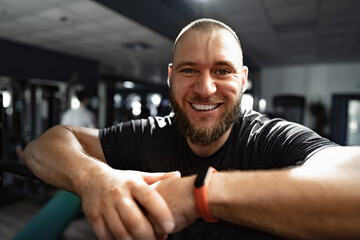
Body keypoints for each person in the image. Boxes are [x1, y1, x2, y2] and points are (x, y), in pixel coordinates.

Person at [21, 18, 360, 240]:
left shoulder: (269, 140)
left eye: (222, 71)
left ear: (243, 80)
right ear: (170, 77)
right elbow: (47, 143)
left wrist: (199, 195)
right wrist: (93, 178)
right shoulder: (148, 134)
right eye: (189, 70)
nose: (205, 88)